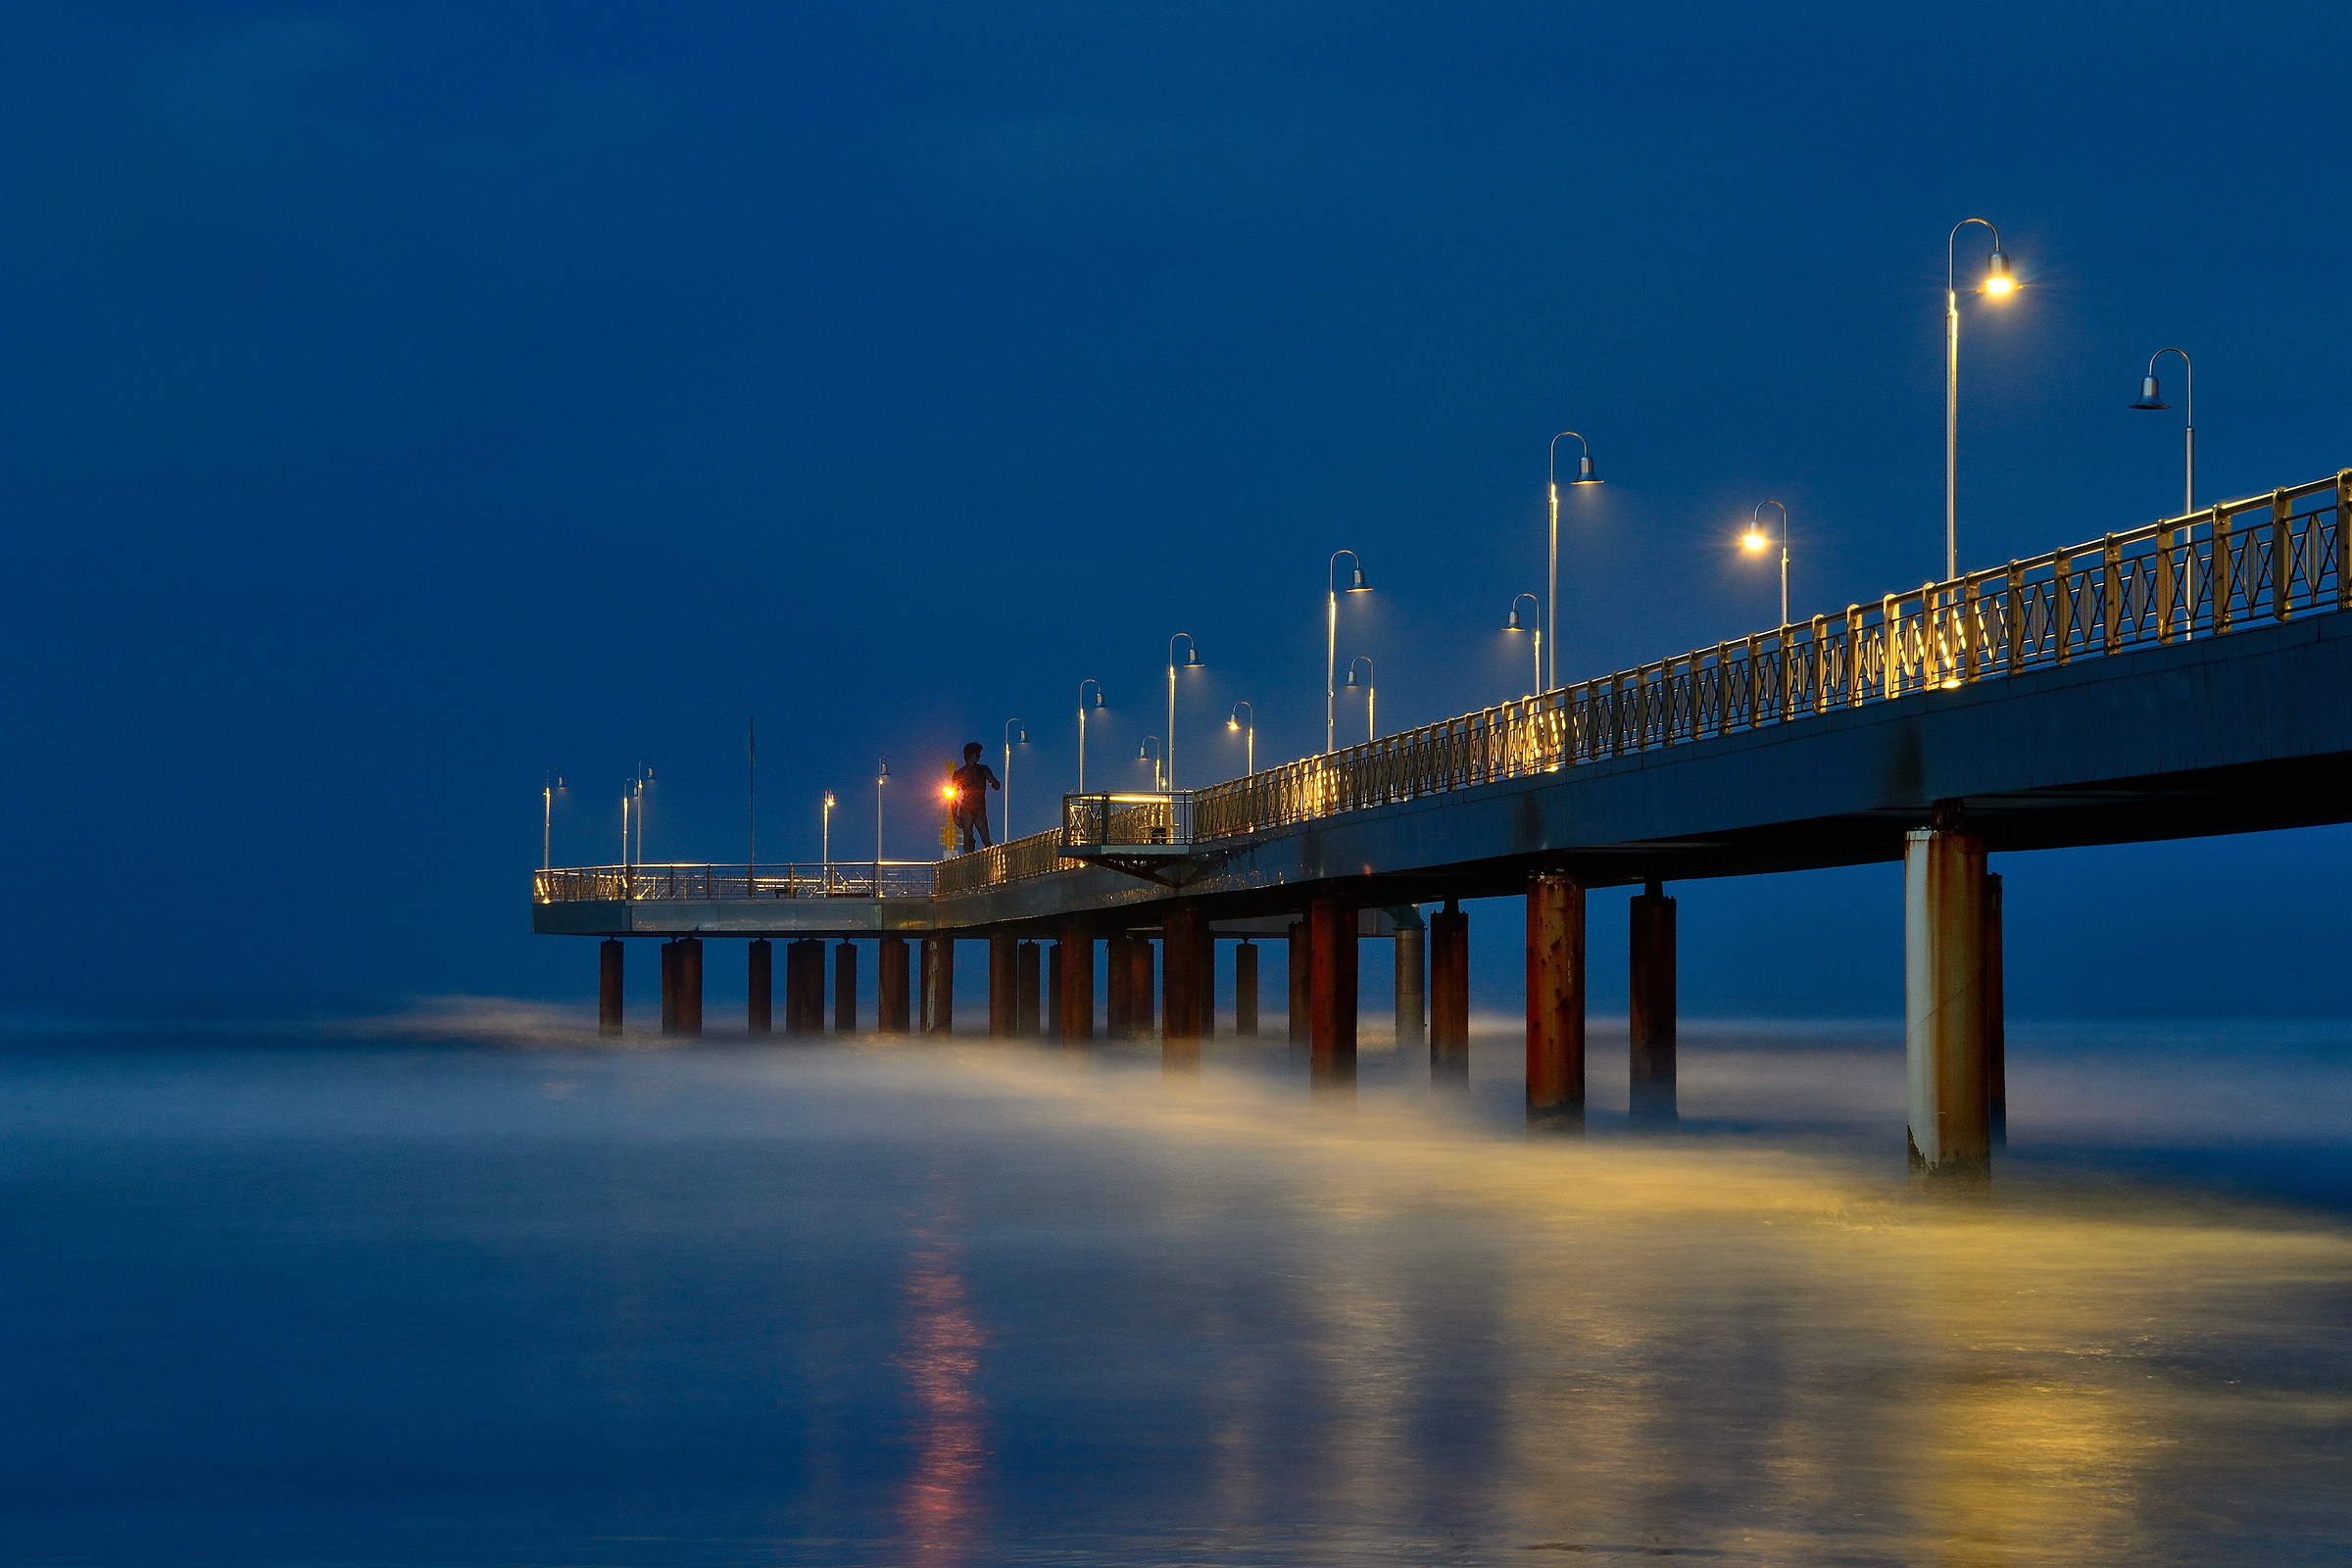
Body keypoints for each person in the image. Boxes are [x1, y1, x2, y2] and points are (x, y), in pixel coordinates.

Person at [951, 742, 1001, 854]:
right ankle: (970, 861)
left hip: (978, 808)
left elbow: (996, 784)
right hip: (967, 808)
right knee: (968, 836)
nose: (979, 756)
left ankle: (987, 859)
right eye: (977, 753)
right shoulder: (961, 773)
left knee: (985, 838)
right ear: (971, 755)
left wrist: (994, 783)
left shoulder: (982, 769)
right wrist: (955, 815)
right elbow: (953, 796)